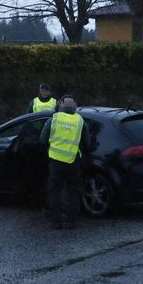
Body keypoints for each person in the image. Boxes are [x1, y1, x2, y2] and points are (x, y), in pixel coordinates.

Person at [40, 95, 90, 229]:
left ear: (60, 106)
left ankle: (56, 222)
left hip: (56, 161)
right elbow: (87, 143)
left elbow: (42, 139)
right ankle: (72, 221)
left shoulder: (54, 119)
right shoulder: (80, 121)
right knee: (73, 191)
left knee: (55, 192)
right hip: (73, 161)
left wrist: (50, 148)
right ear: (75, 107)